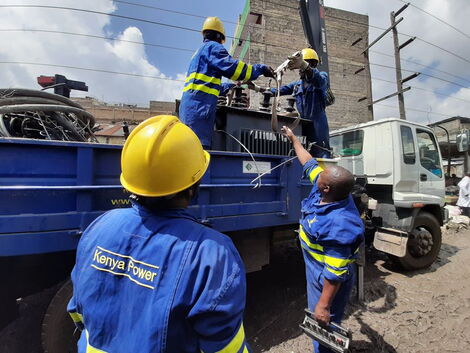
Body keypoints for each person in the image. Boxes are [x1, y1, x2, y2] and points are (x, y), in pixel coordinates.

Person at [67, 115, 251, 352]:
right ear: (194, 184)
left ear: (129, 181)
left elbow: (78, 311)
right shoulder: (211, 254)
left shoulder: (99, 227)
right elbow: (226, 347)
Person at [282, 125, 364, 353]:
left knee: (323, 327)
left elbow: (335, 272)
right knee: (320, 326)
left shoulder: (341, 223)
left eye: (322, 175)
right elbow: (308, 162)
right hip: (314, 270)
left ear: (326, 188)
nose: (318, 173)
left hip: (326, 280)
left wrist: (323, 305)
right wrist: (293, 139)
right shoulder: (326, 190)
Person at [179, 16, 274, 148]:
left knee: (190, 150)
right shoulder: (214, 47)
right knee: (199, 152)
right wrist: (261, 69)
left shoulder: (199, 52)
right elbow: (235, 70)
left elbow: (206, 85)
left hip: (190, 109)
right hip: (200, 110)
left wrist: (231, 86)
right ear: (219, 36)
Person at [249, 48, 330, 158]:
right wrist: (257, 88)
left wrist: (304, 65)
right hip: (302, 127)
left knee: (321, 154)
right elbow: (277, 91)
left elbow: (318, 81)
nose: (299, 70)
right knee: (303, 156)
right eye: (299, 66)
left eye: (303, 65)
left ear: (313, 64)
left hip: (318, 128)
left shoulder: (322, 77)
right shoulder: (297, 85)